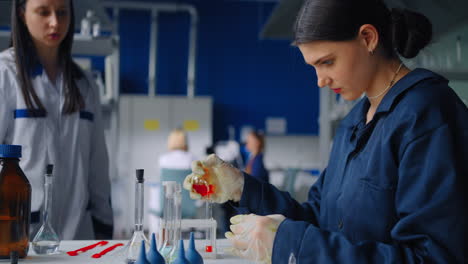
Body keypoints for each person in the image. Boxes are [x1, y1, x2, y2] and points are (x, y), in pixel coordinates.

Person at [183, 0, 468, 263]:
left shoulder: (428, 115)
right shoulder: (354, 123)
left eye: (327, 62)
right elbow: (318, 219)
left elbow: (433, 257)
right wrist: (244, 189)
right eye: (314, 67)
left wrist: (292, 243)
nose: (320, 81)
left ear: (367, 38)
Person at [0, 0, 113, 240]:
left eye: (62, 13)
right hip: (21, 234)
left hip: (79, 236)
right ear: (22, 14)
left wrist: (104, 222)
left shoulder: (83, 83)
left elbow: (97, 162)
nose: (55, 22)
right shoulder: (5, 74)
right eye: (43, 12)